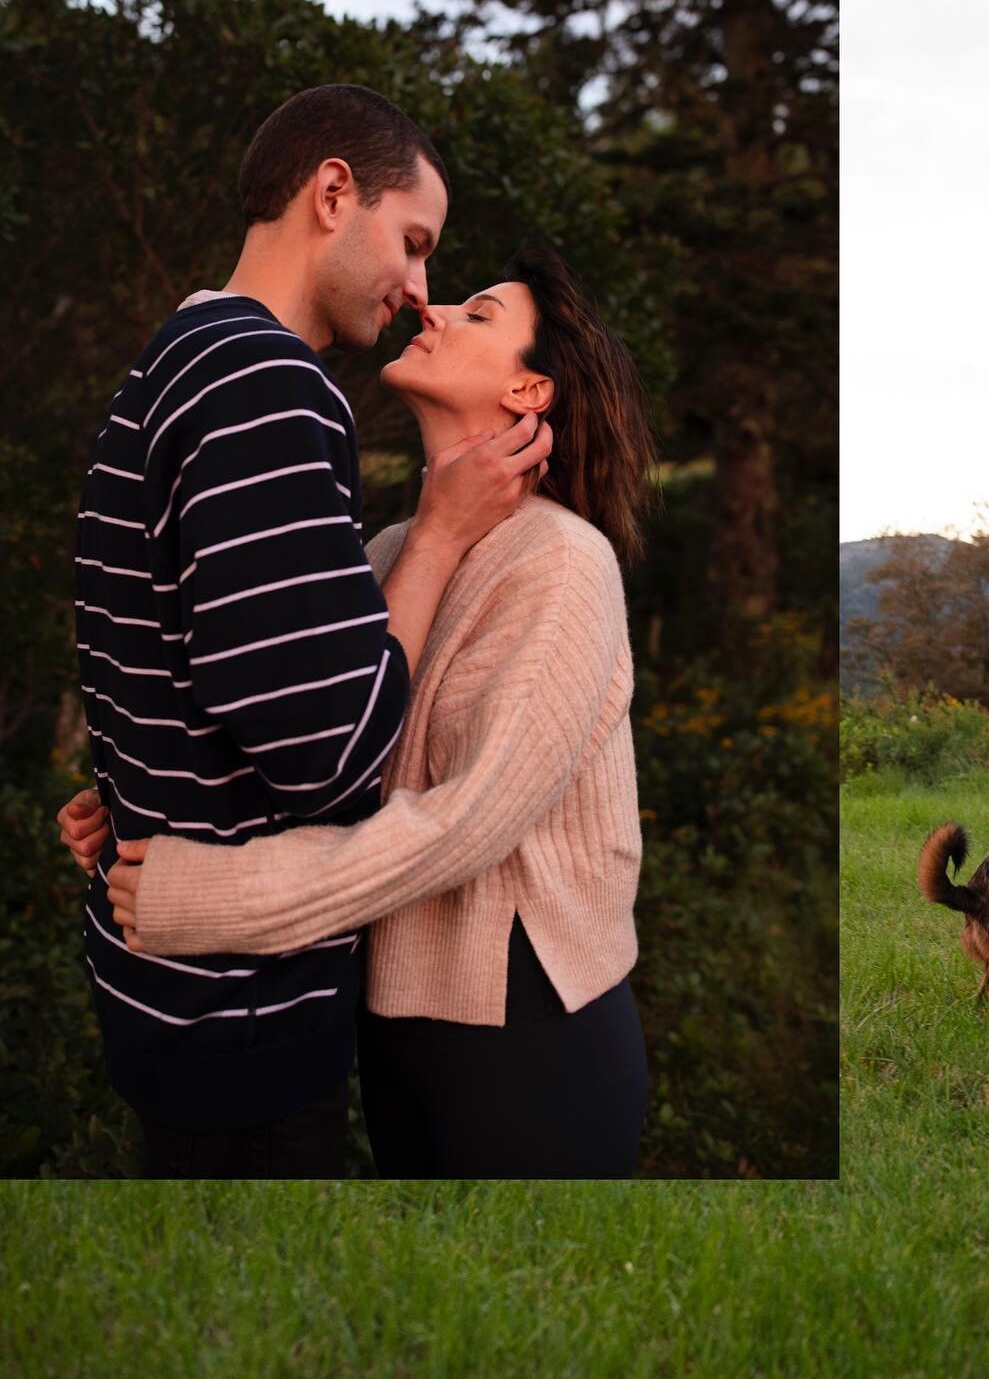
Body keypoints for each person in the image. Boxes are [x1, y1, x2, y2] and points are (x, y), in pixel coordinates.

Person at [65, 248, 652, 1179]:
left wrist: (204, 894)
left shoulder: (562, 564)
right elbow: (323, 753)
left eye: (481, 312)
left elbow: (461, 828)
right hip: (390, 1027)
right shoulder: (389, 553)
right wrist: (156, 810)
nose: (435, 306)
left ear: (529, 393)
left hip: (530, 1039)